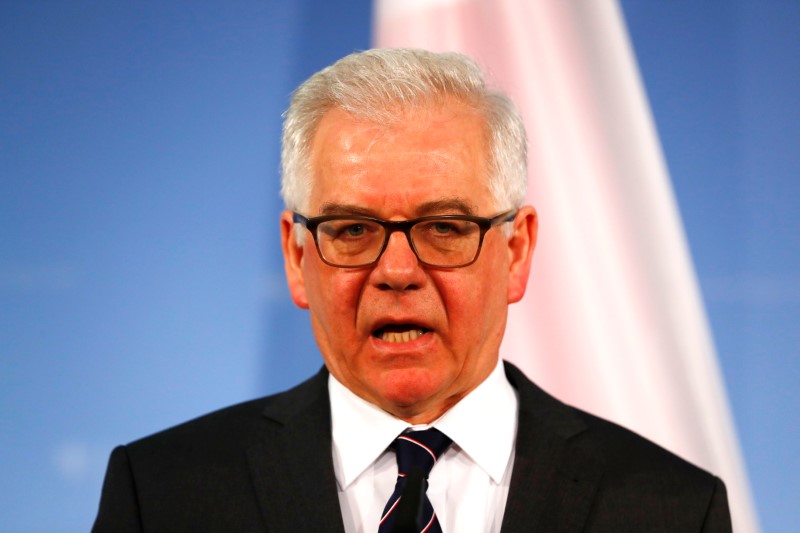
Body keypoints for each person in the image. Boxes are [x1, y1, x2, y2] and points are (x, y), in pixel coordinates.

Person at [92, 48, 732, 532]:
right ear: (296, 256)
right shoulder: (163, 496)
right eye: (352, 229)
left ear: (516, 251)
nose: (397, 271)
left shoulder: (670, 508)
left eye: (445, 227)